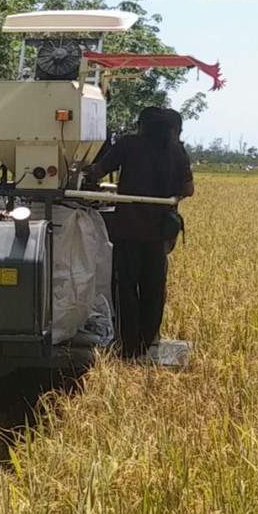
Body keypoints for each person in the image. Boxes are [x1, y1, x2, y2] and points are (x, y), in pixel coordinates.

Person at [84, 107, 194, 360]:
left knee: (126, 289)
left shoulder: (130, 144)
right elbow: (189, 189)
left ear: (141, 125)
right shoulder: (177, 151)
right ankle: (147, 343)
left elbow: (99, 171)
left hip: (128, 230)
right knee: (154, 288)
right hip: (159, 234)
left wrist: (82, 170)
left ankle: (128, 345)